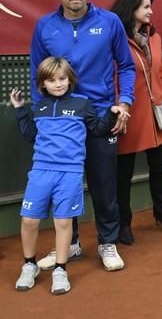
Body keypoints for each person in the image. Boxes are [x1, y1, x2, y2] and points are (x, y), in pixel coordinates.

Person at [32, 0, 135, 272]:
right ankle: (71, 243)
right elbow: (38, 75)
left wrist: (125, 102)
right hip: (61, 121)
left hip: (101, 115)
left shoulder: (110, 21)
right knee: (66, 182)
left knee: (104, 183)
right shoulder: (45, 27)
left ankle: (107, 242)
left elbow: (126, 66)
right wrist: (42, 117)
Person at [11, 57, 122, 294]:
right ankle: (29, 265)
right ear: (42, 84)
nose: (58, 84)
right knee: (29, 220)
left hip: (70, 171)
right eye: (52, 80)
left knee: (62, 221)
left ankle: (60, 269)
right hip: (40, 170)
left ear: (70, 79)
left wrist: (112, 114)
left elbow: (98, 129)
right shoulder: (38, 107)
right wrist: (20, 110)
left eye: (62, 79)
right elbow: (31, 135)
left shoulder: (83, 103)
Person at [110, 0, 162, 243]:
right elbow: (115, 77)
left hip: (156, 114)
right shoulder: (117, 38)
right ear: (132, 9)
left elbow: (161, 76)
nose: (151, 11)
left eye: (151, 6)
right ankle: (123, 223)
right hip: (129, 114)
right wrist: (120, 108)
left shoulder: (156, 38)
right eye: (146, 7)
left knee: (159, 167)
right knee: (123, 172)